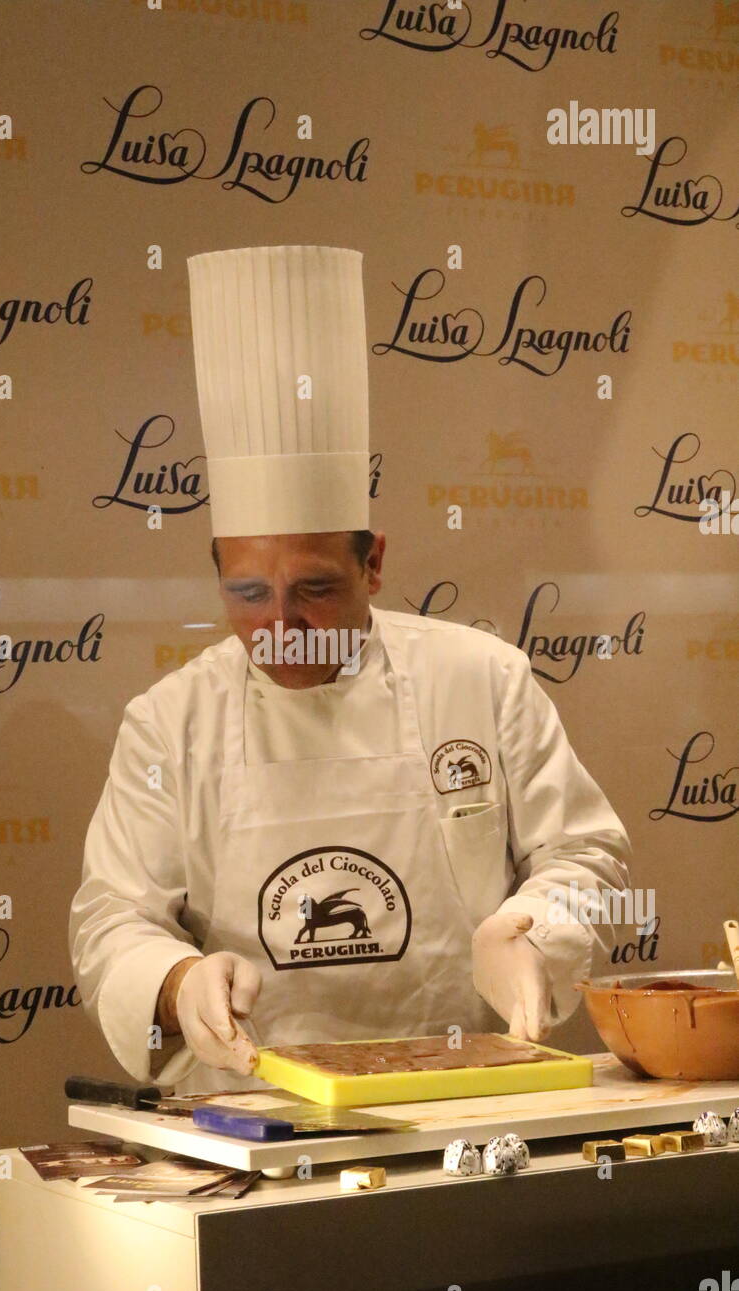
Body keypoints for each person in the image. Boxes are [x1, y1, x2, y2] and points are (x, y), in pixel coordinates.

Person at [69, 245, 632, 1094]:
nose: (282, 626)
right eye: (249, 593)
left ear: (374, 565)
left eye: (316, 590)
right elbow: (113, 918)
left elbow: (586, 855)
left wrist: (530, 928)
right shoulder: (169, 720)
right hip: (249, 1114)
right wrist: (181, 985)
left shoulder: (482, 680)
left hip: (466, 1104)